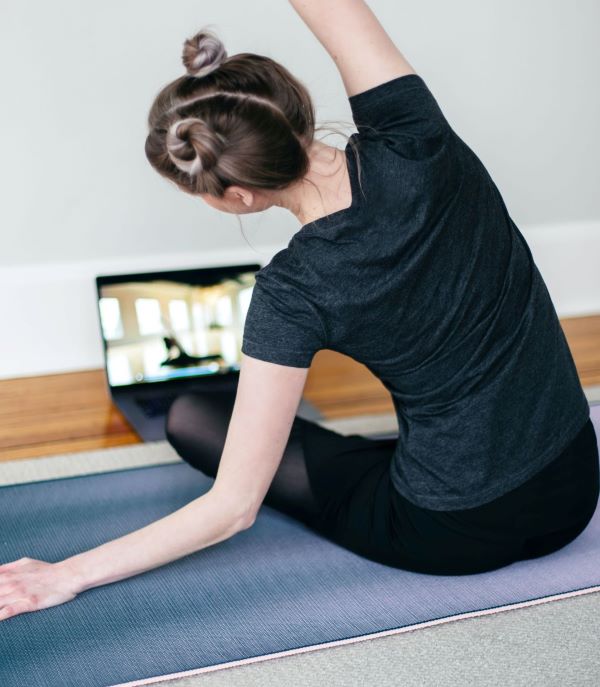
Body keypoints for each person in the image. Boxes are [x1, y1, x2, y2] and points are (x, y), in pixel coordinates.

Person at [1, 0, 598, 622]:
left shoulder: (293, 291)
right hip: (576, 485)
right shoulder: (416, 133)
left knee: (193, 415)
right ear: (293, 105)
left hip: (450, 531)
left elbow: (233, 508)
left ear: (238, 195)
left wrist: (62, 576)